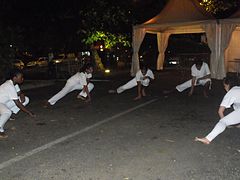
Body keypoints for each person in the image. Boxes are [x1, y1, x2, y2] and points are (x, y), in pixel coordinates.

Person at [195, 76, 240, 144]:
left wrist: (225, 123)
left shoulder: (231, 92)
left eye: (224, 86)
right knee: (235, 107)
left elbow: (220, 111)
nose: (224, 88)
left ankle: (207, 139)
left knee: (223, 122)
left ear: (228, 85)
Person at [0, 69, 35, 139]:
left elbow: (19, 92)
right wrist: (29, 112)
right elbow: (17, 103)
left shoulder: (13, 84)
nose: (22, 79)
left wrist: (22, 94)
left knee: (26, 99)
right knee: (7, 112)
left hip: (3, 103)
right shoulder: (9, 86)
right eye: (21, 77)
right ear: (15, 78)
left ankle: (8, 114)